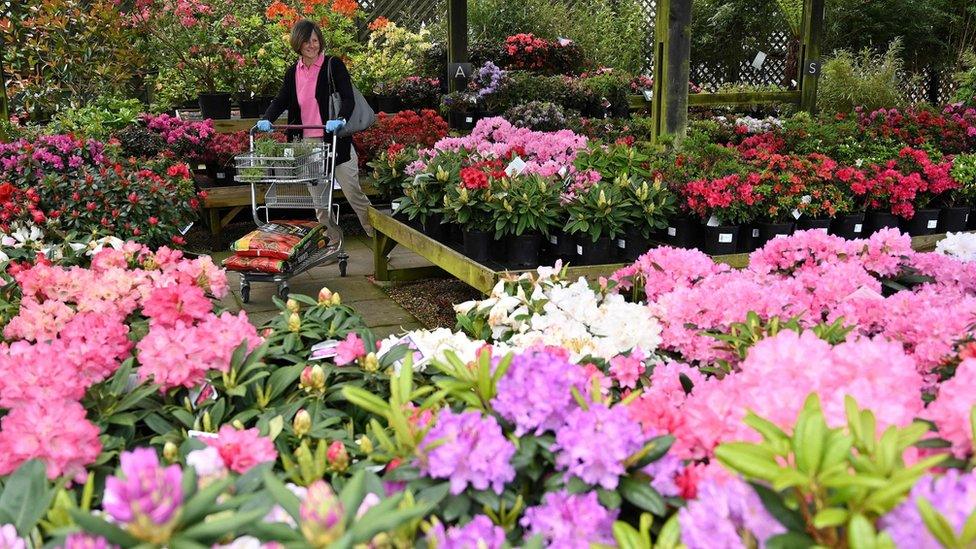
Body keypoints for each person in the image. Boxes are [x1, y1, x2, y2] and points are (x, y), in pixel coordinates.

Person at [257, 19, 374, 239]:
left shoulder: (333, 65)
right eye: (307, 41)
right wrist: (266, 119)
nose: (312, 45)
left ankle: (378, 239)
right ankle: (331, 243)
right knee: (320, 202)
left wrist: (340, 119)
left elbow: (348, 98)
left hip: (335, 142)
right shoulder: (294, 71)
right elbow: (282, 99)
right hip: (307, 146)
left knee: (354, 193)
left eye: (315, 40)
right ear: (297, 43)